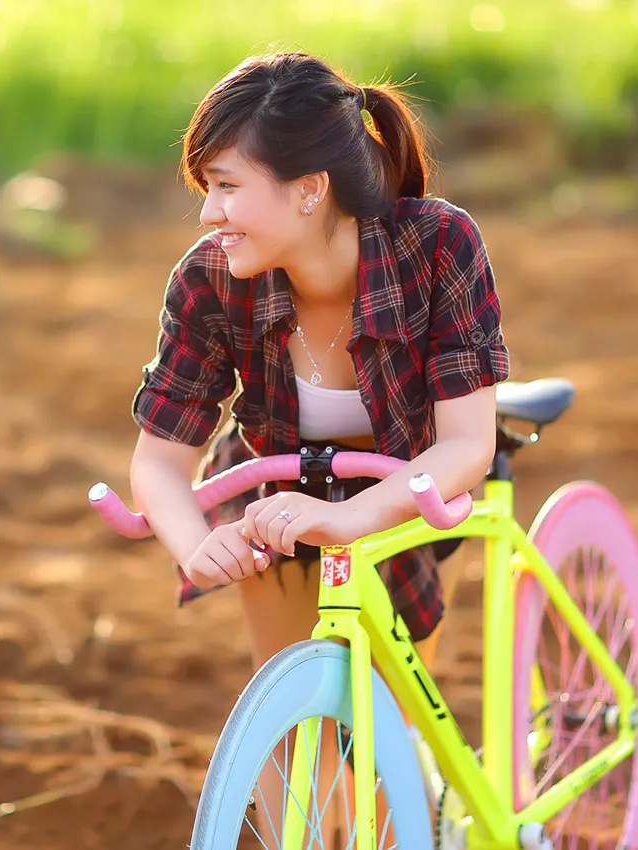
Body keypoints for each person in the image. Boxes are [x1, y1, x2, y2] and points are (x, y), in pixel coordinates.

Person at [129, 49, 510, 679]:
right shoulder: (210, 278)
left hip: (412, 491)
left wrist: (350, 516)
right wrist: (198, 546)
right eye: (207, 188)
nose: (208, 213)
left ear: (309, 188)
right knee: (297, 723)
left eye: (227, 186)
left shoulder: (439, 245)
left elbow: (466, 445)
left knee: (385, 734)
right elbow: (159, 461)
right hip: (276, 499)